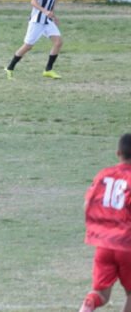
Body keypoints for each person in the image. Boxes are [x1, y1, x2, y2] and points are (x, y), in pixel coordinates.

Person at [79, 133, 131, 312]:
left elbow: (87, 205)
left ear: (118, 153)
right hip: (127, 245)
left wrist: (100, 228)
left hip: (104, 245)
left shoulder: (104, 175)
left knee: (100, 294)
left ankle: (87, 305)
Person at [5, 0, 63, 80]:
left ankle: (48, 70)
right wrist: (45, 12)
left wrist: (53, 16)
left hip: (47, 21)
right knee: (28, 46)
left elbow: (52, 2)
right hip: (37, 21)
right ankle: (10, 68)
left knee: (58, 42)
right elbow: (33, 2)